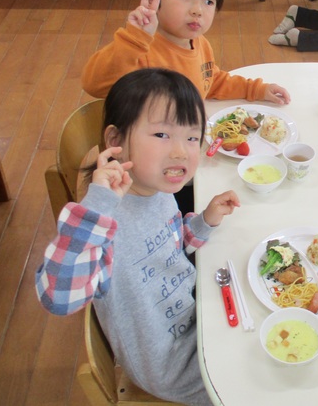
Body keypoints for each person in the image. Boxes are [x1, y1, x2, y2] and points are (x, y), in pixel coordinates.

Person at [35, 68, 241, 406]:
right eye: (161, 134)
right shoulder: (102, 222)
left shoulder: (157, 189)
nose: (181, 151)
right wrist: (98, 206)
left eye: (192, 137)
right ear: (115, 141)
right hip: (170, 366)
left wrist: (204, 222)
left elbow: (169, 249)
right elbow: (57, 296)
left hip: (196, 316)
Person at [81, 0, 291, 104]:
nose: (198, 10)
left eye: (209, 2)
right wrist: (134, 40)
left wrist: (256, 90)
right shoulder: (139, 51)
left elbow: (211, 81)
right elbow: (94, 84)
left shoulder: (200, 44)